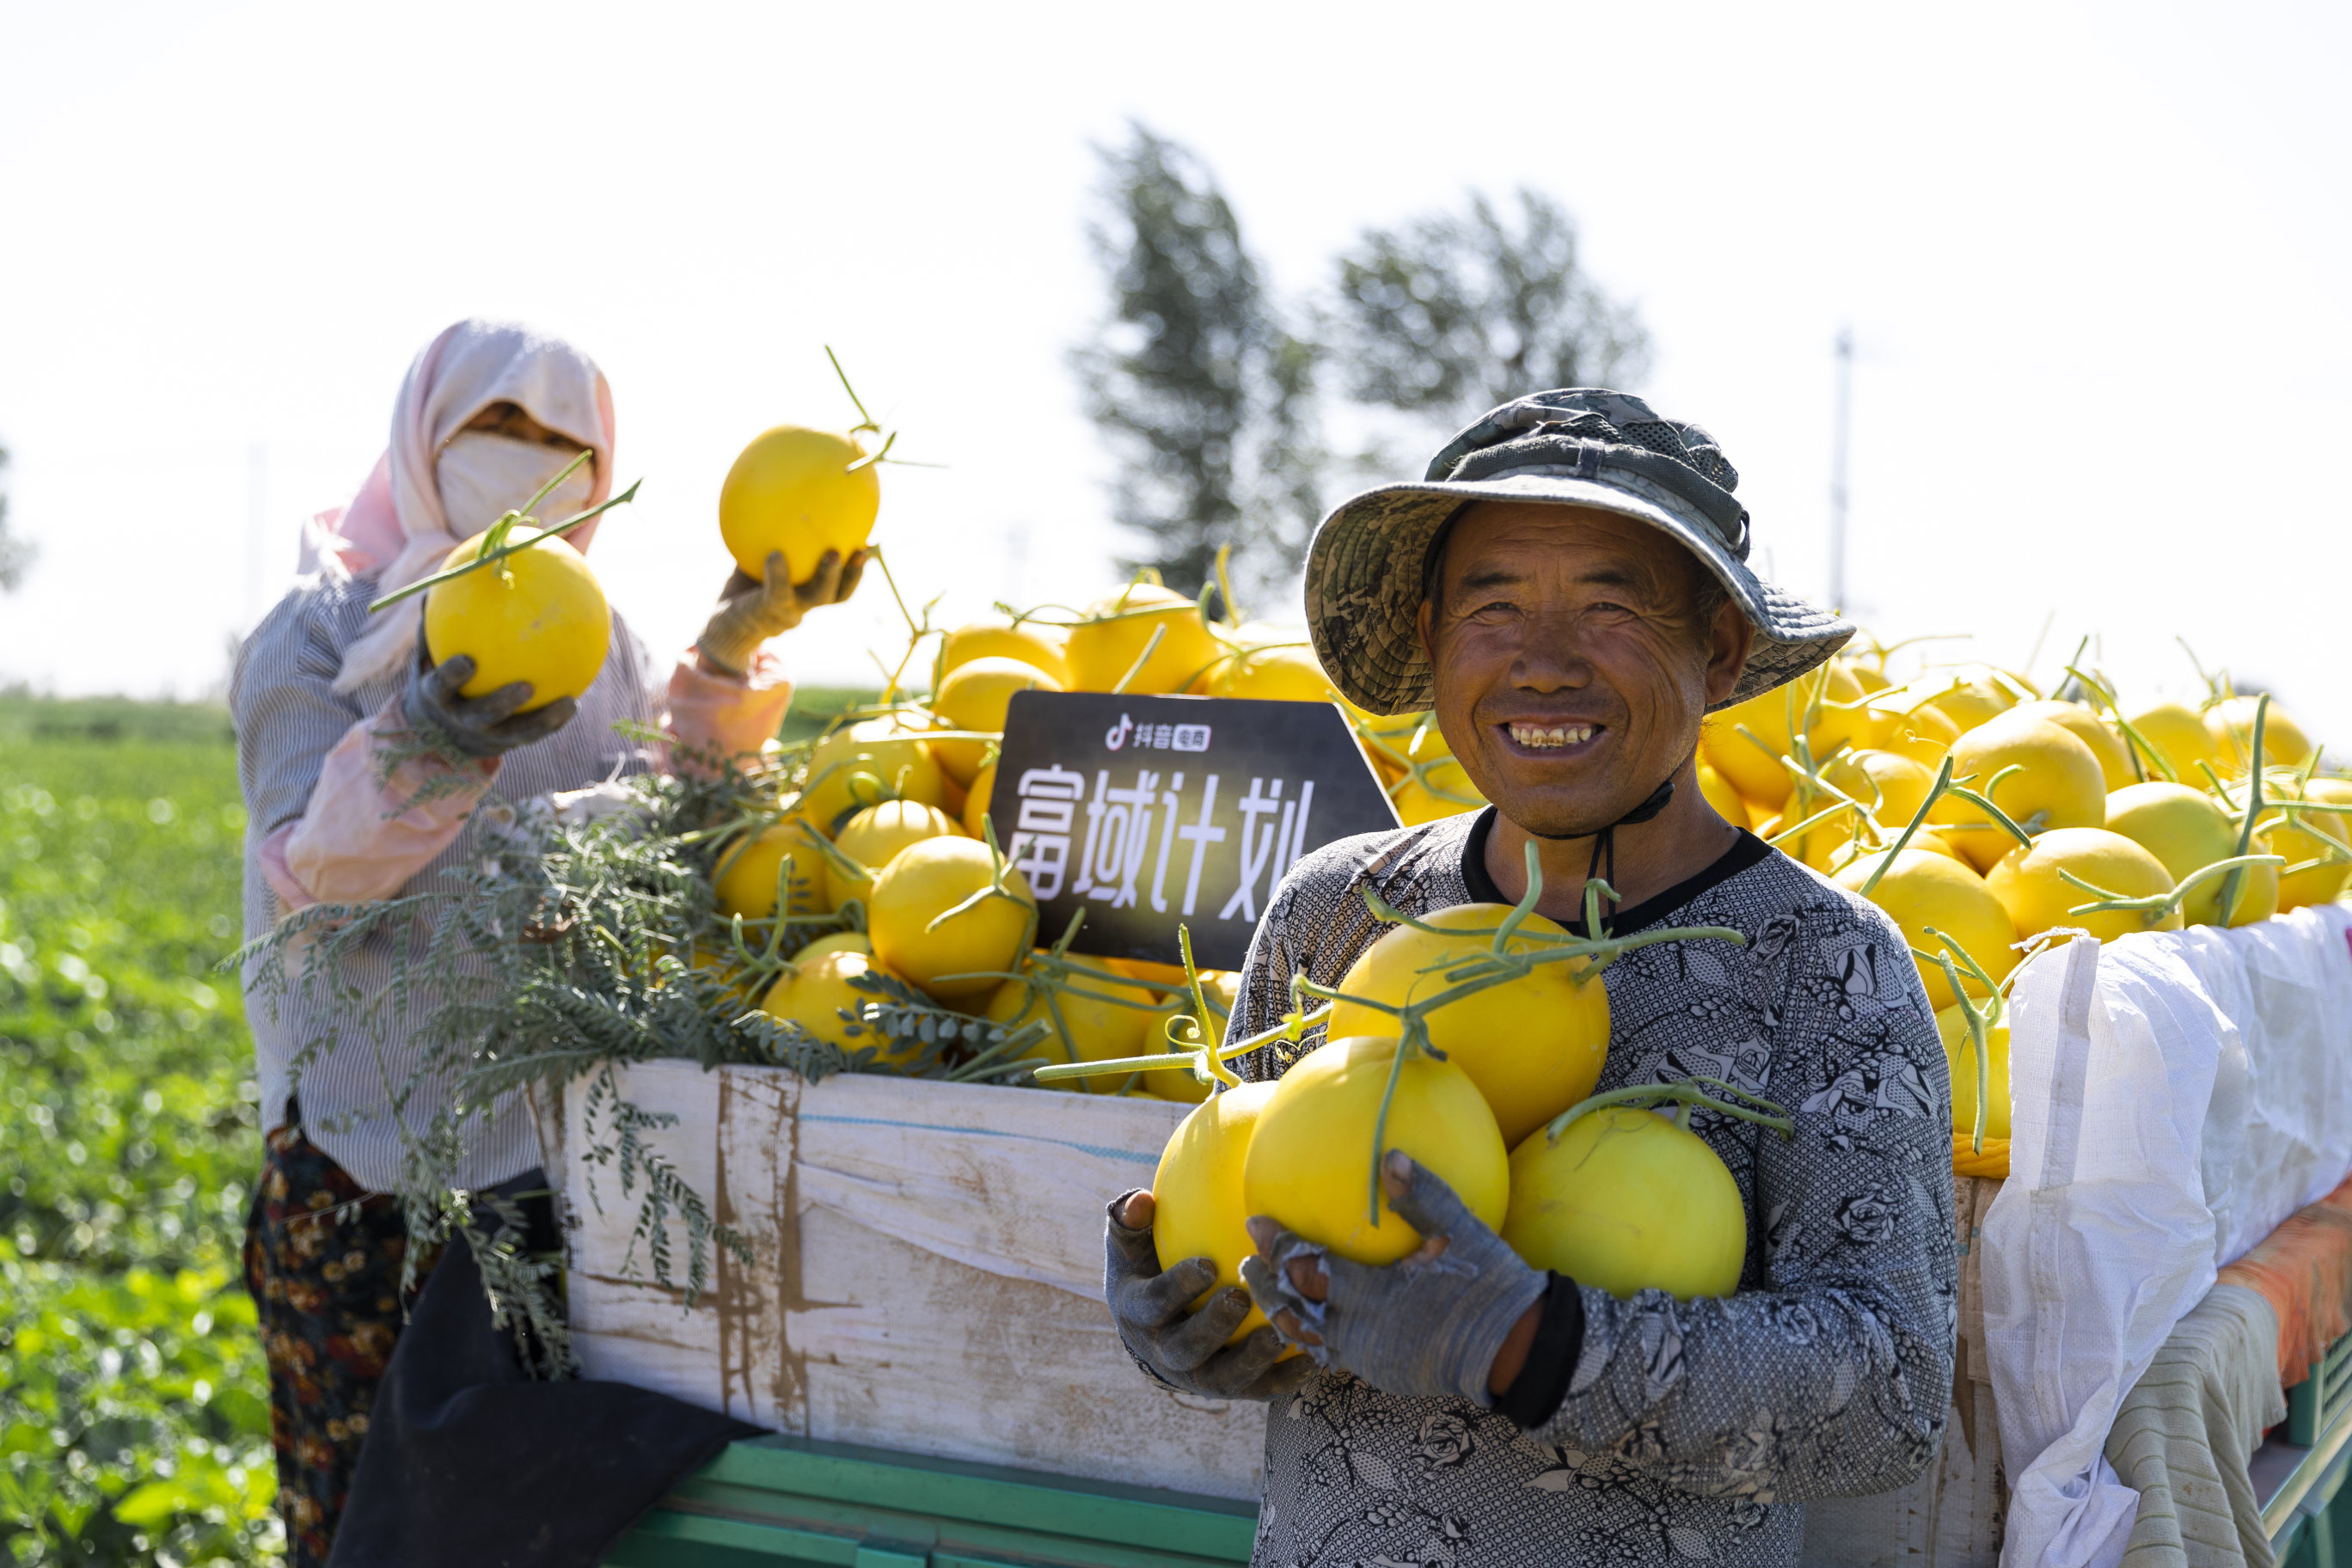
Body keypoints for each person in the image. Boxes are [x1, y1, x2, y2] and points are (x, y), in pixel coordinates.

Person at [1104, 389, 1955, 1565]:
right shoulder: (1333, 912)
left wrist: (1527, 1340)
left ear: (1717, 649)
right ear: (1433, 633)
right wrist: (1182, 1323)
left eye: (1609, 606)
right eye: (1492, 606)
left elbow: (1891, 1400)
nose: (1543, 664)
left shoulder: (1829, 964)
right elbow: (1256, 1234)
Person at [230, 318, 857, 1565]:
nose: (528, 460)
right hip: (360, 1180)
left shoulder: (605, 641)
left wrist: (729, 650)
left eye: (563, 441)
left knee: (506, 1537)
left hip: (546, 1186)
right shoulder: (317, 631)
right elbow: (314, 873)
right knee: (355, 1528)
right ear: (425, 438)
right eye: (496, 428)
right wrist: (426, 728)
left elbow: (672, 818)